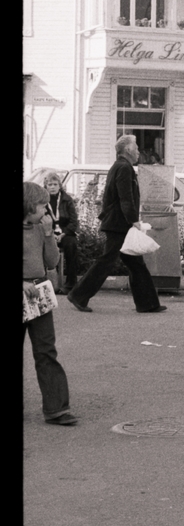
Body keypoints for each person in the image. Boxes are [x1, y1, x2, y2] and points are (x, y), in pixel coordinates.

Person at [67, 135, 166, 314]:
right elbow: (125, 197)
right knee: (108, 261)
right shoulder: (124, 168)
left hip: (118, 222)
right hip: (119, 224)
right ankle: (79, 295)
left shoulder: (120, 166)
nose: (138, 151)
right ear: (127, 150)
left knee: (135, 263)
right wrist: (133, 221)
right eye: (135, 148)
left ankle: (148, 303)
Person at [24, 182, 77, 426]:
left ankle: (56, 408)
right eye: (42, 206)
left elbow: (53, 261)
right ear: (27, 206)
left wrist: (48, 235)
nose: (47, 211)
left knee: (46, 350)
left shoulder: (40, 228)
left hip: (39, 293)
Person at [43, 172, 79, 294]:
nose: (52, 187)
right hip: (48, 233)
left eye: (55, 184)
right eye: (49, 184)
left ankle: (70, 284)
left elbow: (74, 221)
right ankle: (45, 282)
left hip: (65, 232)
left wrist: (63, 233)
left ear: (60, 186)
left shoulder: (67, 199)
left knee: (71, 245)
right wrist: (50, 233)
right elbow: (38, 220)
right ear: (46, 186)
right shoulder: (42, 200)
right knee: (40, 246)